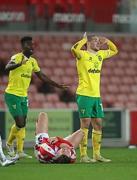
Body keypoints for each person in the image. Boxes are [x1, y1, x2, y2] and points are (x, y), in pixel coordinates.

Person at [4, 36, 68, 159]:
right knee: (20, 122)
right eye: (29, 44)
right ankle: (9, 143)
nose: (32, 46)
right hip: (12, 94)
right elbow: (7, 67)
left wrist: (56, 85)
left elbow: (42, 76)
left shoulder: (33, 61)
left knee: (22, 123)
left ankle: (20, 151)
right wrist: (19, 64)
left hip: (23, 96)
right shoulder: (16, 57)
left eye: (33, 44)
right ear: (23, 46)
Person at [71, 32, 118, 163]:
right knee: (85, 123)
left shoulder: (100, 55)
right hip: (84, 94)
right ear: (88, 43)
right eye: (95, 41)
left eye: (99, 41)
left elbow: (115, 50)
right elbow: (73, 49)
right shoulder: (82, 55)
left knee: (98, 123)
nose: (98, 43)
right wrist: (83, 40)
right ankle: (84, 155)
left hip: (96, 95)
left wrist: (107, 41)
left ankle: (97, 154)